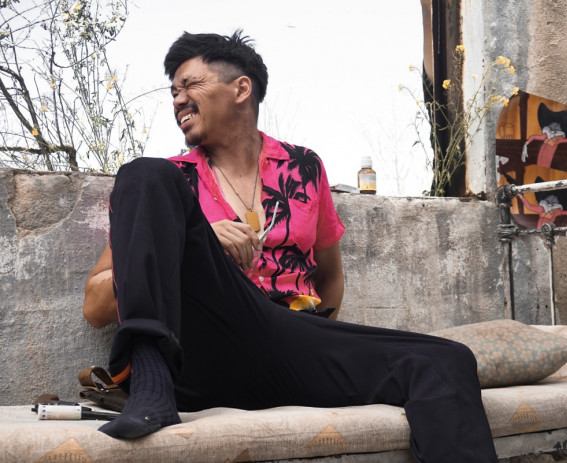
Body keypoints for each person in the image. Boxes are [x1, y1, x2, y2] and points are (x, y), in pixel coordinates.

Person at [82, 31, 498, 462]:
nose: (178, 99)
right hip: (200, 354)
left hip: (288, 339)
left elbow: (330, 277)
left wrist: (316, 340)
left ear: (241, 88)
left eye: (190, 85)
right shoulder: (166, 187)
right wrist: (193, 240)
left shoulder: (303, 167)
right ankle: (150, 381)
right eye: (173, 92)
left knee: (446, 360)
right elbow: (95, 307)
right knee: (144, 171)